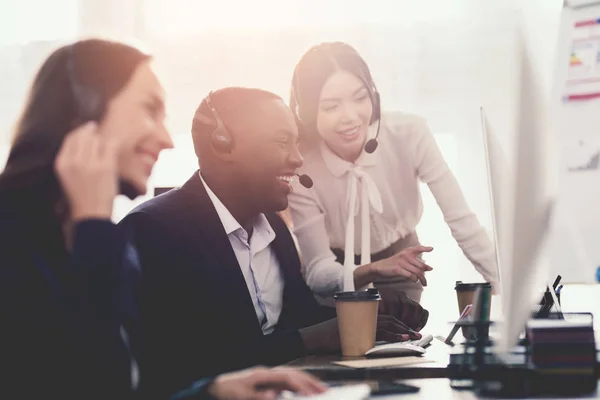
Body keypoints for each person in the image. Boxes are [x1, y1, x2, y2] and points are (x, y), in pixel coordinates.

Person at [0, 39, 325, 400]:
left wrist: (210, 393)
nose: (167, 139)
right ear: (85, 113)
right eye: (148, 110)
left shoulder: (85, 235)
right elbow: (90, 381)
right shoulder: (23, 241)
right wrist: (93, 230)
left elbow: (124, 384)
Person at [119, 87, 428, 399]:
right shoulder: (154, 230)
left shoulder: (274, 228)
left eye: (296, 144)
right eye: (283, 143)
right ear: (223, 145)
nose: (297, 159)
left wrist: (367, 315)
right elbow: (180, 363)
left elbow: (299, 319)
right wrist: (310, 340)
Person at [287, 42, 499, 303]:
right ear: (307, 113)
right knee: (351, 342)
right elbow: (318, 272)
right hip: (337, 272)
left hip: (402, 258)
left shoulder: (409, 133)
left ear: (373, 96)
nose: (351, 117)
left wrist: (505, 284)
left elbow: (462, 221)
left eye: (360, 98)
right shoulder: (302, 169)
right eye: (332, 107)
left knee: (404, 338)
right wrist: (371, 269)